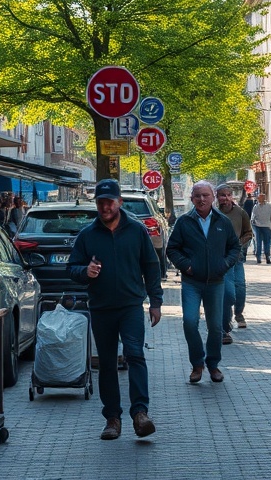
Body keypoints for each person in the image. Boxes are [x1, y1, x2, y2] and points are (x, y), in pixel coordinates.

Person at [67, 178, 162, 441]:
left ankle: (140, 413)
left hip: (131, 305)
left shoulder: (136, 230)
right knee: (107, 364)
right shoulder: (87, 235)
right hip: (101, 308)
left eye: (110, 202)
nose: (105, 207)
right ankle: (112, 418)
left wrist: (155, 301)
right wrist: (85, 272)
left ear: (119, 202)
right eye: (101, 202)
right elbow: (72, 268)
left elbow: (151, 267)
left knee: (135, 356)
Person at [166, 180, 240, 385]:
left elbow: (235, 247)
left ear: (212, 197)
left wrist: (224, 265)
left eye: (205, 195)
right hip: (192, 282)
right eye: (197, 196)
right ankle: (197, 364)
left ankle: (213, 364)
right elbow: (172, 249)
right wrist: (186, 266)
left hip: (216, 282)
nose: (201, 199)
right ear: (191, 199)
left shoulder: (222, 221)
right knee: (190, 322)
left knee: (216, 327)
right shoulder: (184, 222)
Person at [216, 184, 252, 341]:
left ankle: (239, 313)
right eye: (222, 195)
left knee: (241, 288)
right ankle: (225, 324)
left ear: (232, 196)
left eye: (228, 195)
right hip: (223, 261)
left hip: (237, 257)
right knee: (229, 293)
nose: (225, 198)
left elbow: (248, 232)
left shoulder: (240, 213)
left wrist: (239, 244)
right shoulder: (213, 214)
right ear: (217, 197)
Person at [250, 193, 271, 265]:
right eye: (258, 198)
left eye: (260, 198)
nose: (259, 199)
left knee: (267, 242)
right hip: (257, 225)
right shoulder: (256, 207)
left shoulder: (269, 206)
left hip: (266, 225)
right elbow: (253, 218)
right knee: (258, 241)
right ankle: (258, 257)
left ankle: (267, 256)